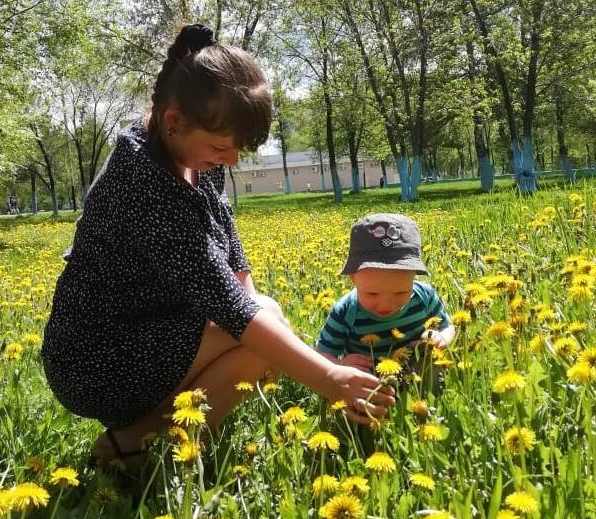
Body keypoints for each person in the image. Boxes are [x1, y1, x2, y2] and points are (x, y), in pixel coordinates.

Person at [41, 24, 393, 466]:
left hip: (152, 329)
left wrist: (294, 352)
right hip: (95, 359)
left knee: (266, 327)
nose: (230, 161)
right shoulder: (141, 184)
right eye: (223, 148)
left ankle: (140, 437)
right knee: (255, 338)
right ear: (173, 121)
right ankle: (135, 447)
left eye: (238, 150)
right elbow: (229, 307)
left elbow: (229, 249)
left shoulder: (192, 151)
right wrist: (327, 376)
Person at [315, 213, 455, 370]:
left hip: (418, 378)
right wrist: (340, 365)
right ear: (353, 279)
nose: (386, 304)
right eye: (372, 294)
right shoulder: (346, 311)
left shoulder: (425, 297)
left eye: (401, 293)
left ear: (414, 276)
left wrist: (442, 338)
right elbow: (321, 353)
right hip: (369, 383)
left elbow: (447, 326)